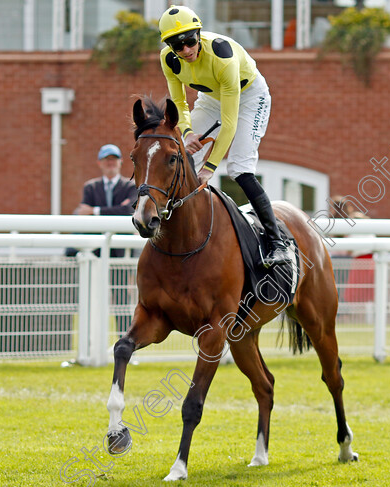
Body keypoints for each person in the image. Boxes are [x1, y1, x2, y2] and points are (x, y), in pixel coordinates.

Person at [158, 5, 292, 268]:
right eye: (177, 45)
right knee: (180, 153)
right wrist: (187, 132)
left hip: (250, 97)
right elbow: (179, 104)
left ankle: (278, 243)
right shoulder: (168, 60)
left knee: (239, 168)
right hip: (212, 97)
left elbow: (229, 124)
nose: (185, 50)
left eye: (189, 41)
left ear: (198, 34)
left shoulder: (222, 54)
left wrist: (209, 168)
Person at [72, 144, 139, 335]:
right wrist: (116, 210)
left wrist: (95, 211)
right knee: (90, 293)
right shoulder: (91, 187)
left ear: (120, 162)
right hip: (95, 249)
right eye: (106, 160)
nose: (110, 163)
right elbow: (81, 214)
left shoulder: (129, 185)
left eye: (114, 159)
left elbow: (128, 211)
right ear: (100, 163)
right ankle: (91, 337)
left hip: (121, 249)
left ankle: (123, 338)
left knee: (120, 295)